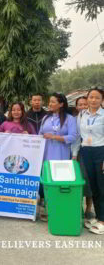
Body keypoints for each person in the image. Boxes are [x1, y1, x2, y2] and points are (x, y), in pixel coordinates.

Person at [39, 93, 77, 221]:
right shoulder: (45, 118)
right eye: (49, 102)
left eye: (53, 102)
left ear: (61, 104)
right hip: (46, 155)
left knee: (59, 182)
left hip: (61, 156)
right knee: (47, 182)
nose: (50, 104)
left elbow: (73, 137)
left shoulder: (70, 119)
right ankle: (48, 209)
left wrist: (55, 137)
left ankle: (58, 210)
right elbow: (40, 135)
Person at [72, 88, 104, 234]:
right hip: (86, 151)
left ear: (101, 100)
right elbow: (78, 136)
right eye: (91, 97)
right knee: (93, 187)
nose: (93, 100)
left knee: (101, 185)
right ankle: (98, 217)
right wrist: (74, 154)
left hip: (100, 151)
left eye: (97, 98)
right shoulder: (82, 115)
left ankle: (102, 220)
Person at [71, 96, 94, 219]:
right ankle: (78, 207)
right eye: (80, 104)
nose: (83, 107)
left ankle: (89, 209)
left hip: (92, 152)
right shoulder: (74, 120)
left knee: (90, 180)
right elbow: (75, 138)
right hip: (78, 153)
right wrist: (74, 154)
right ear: (76, 107)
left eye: (85, 104)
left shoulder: (95, 118)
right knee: (77, 180)